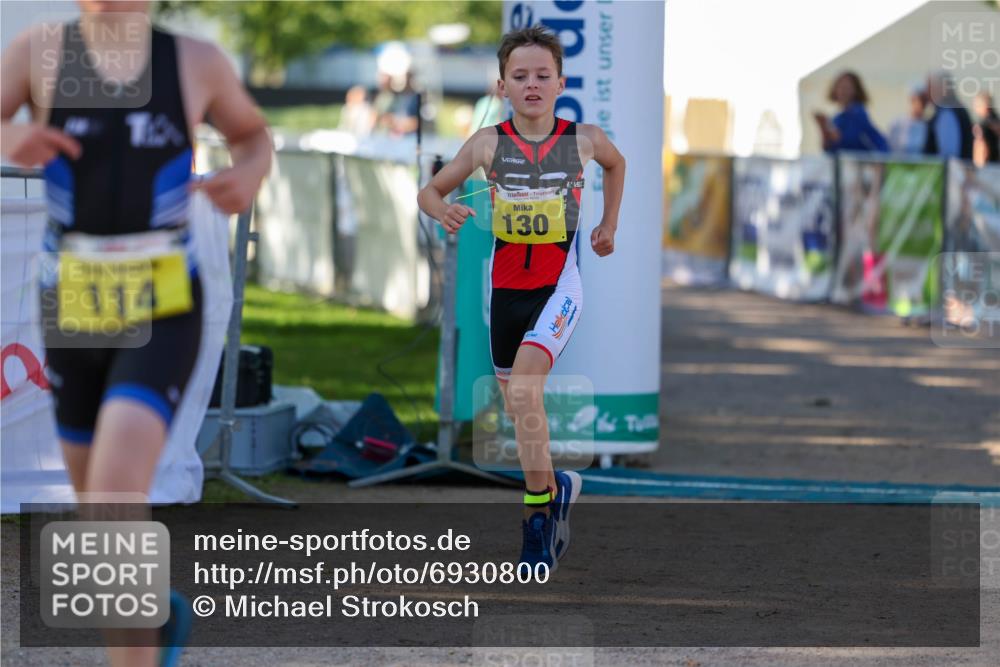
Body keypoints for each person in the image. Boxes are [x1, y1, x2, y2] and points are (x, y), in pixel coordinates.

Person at [1, 2, 272, 666]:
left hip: (163, 301)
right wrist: (10, 140)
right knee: (101, 517)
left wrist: (249, 172)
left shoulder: (193, 61)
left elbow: (253, 134)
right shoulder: (37, 52)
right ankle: (155, 619)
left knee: (120, 485)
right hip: (73, 303)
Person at [417, 25, 625, 572]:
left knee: (527, 392)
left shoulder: (584, 139)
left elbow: (617, 162)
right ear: (503, 86)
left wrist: (608, 225)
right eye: (519, 76)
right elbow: (431, 189)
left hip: (560, 284)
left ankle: (538, 518)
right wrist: (444, 210)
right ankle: (554, 486)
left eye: (542, 75)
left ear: (560, 82)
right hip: (504, 288)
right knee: (518, 405)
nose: (531, 84)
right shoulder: (487, 144)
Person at [813, 71, 889, 154]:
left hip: (864, 162)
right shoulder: (838, 118)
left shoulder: (858, 113)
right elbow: (829, 149)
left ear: (855, 91)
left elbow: (850, 140)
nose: (843, 91)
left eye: (847, 87)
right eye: (840, 87)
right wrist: (823, 127)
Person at [923, 71, 974, 160]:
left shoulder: (947, 112)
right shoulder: (955, 109)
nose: (926, 93)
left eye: (929, 88)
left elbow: (949, 155)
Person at [887, 86, 929, 155]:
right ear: (911, 100)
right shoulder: (896, 124)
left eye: (925, 101)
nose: (923, 104)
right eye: (920, 100)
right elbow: (890, 148)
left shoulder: (928, 126)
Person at [972, 91, 1000, 165]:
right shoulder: (996, 121)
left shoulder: (982, 126)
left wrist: (979, 167)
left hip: (987, 166)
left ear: (984, 105)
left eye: (977, 105)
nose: (975, 108)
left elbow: (981, 147)